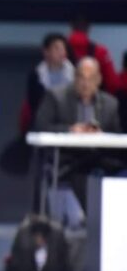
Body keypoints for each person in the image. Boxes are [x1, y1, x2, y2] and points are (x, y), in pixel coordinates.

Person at [35, 57, 122, 214]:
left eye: (91, 78)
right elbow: (41, 126)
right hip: (68, 158)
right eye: (82, 77)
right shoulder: (56, 97)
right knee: (81, 173)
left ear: (99, 80)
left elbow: (116, 135)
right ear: (75, 77)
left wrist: (100, 134)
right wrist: (70, 130)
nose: (85, 83)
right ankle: (91, 218)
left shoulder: (110, 104)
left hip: (100, 158)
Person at [21, 33, 75, 133]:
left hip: (69, 123)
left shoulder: (75, 73)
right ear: (46, 52)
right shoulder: (36, 75)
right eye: (57, 48)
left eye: (63, 49)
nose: (62, 52)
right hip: (43, 122)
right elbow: (34, 105)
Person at [68, 16, 120, 94]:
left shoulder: (58, 51)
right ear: (89, 28)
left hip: (65, 98)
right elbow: (112, 83)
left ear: (71, 27)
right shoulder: (101, 52)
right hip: (93, 97)